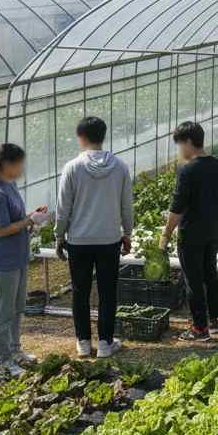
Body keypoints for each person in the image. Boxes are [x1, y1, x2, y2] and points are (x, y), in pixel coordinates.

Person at [55, 116, 133, 358]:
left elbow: (63, 207)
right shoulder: (119, 166)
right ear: (103, 136)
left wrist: (59, 236)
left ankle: (83, 343)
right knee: (108, 292)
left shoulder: (72, 168)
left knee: (80, 292)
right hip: (109, 240)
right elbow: (126, 206)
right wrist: (127, 233)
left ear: (81, 137)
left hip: (79, 241)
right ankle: (106, 344)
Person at [0, 144, 47, 377]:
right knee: (2, 313)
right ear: (6, 165)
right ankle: (2, 361)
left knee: (17, 309)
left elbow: (14, 221)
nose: (21, 168)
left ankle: (15, 351)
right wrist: (28, 221)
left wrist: (32, 218)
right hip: (1, 262)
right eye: (18, 164)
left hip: (17, 258)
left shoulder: (10, 186)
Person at [158, 122, 218, 342]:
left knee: (193, 280)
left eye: (179, 145)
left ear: (187, 142)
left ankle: (199, 328)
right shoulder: (217, 165)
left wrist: (166, 234)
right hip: (213, 229)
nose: (179, 150)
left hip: (192, 232)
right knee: (210, 274)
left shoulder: (187, 169)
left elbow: (178, 207)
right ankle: (214, 321)